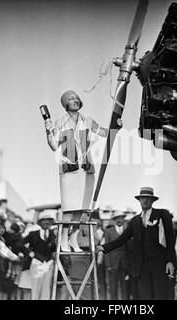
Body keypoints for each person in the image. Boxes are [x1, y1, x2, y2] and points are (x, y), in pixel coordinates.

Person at [45, 90, 120, 252]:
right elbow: (53, 146)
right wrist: (48, 130)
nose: (75, 100)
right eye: (71, 99)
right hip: (69, 169)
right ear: (65, 104)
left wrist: (116, 126)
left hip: (85, 169)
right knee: (69, 208)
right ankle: (63, 239)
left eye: (76, 98)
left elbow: (104, 133)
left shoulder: (88, 121)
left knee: (81, 208)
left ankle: (74, 239)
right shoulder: (59, 122)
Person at [98, 187, 177, 300]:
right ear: (139, 200)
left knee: (161, 295)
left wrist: (170, 260)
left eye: (148, 198)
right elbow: (121, 240)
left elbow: (170, 239)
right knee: (145, 296)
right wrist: (103, 247)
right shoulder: (135, 220)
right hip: (142, 265)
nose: (145, 201)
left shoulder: (162, 214)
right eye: (142, 198)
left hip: (159, 264)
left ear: (152, 201)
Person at [18, 211, 56, 300]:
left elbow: (54, 248)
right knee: (35, 290)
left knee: (46, 291)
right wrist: (29, 252)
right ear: (40, 222)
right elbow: (20, 243)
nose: (46, 222)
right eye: (44, 220)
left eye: (48, 220)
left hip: (48, 264)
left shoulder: (53, 234)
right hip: (36, 264)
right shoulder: (33, 234)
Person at [104, 211, 128, 300]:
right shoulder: (109, 231)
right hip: (113, 263)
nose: (119, 220)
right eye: (117, 218)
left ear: (123, 219)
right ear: (114, 220)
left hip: (124, 263)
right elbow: (106, 248)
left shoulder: (127, 230)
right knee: (113, 286)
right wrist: (108, 264)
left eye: (121, 218)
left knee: (125, 286)